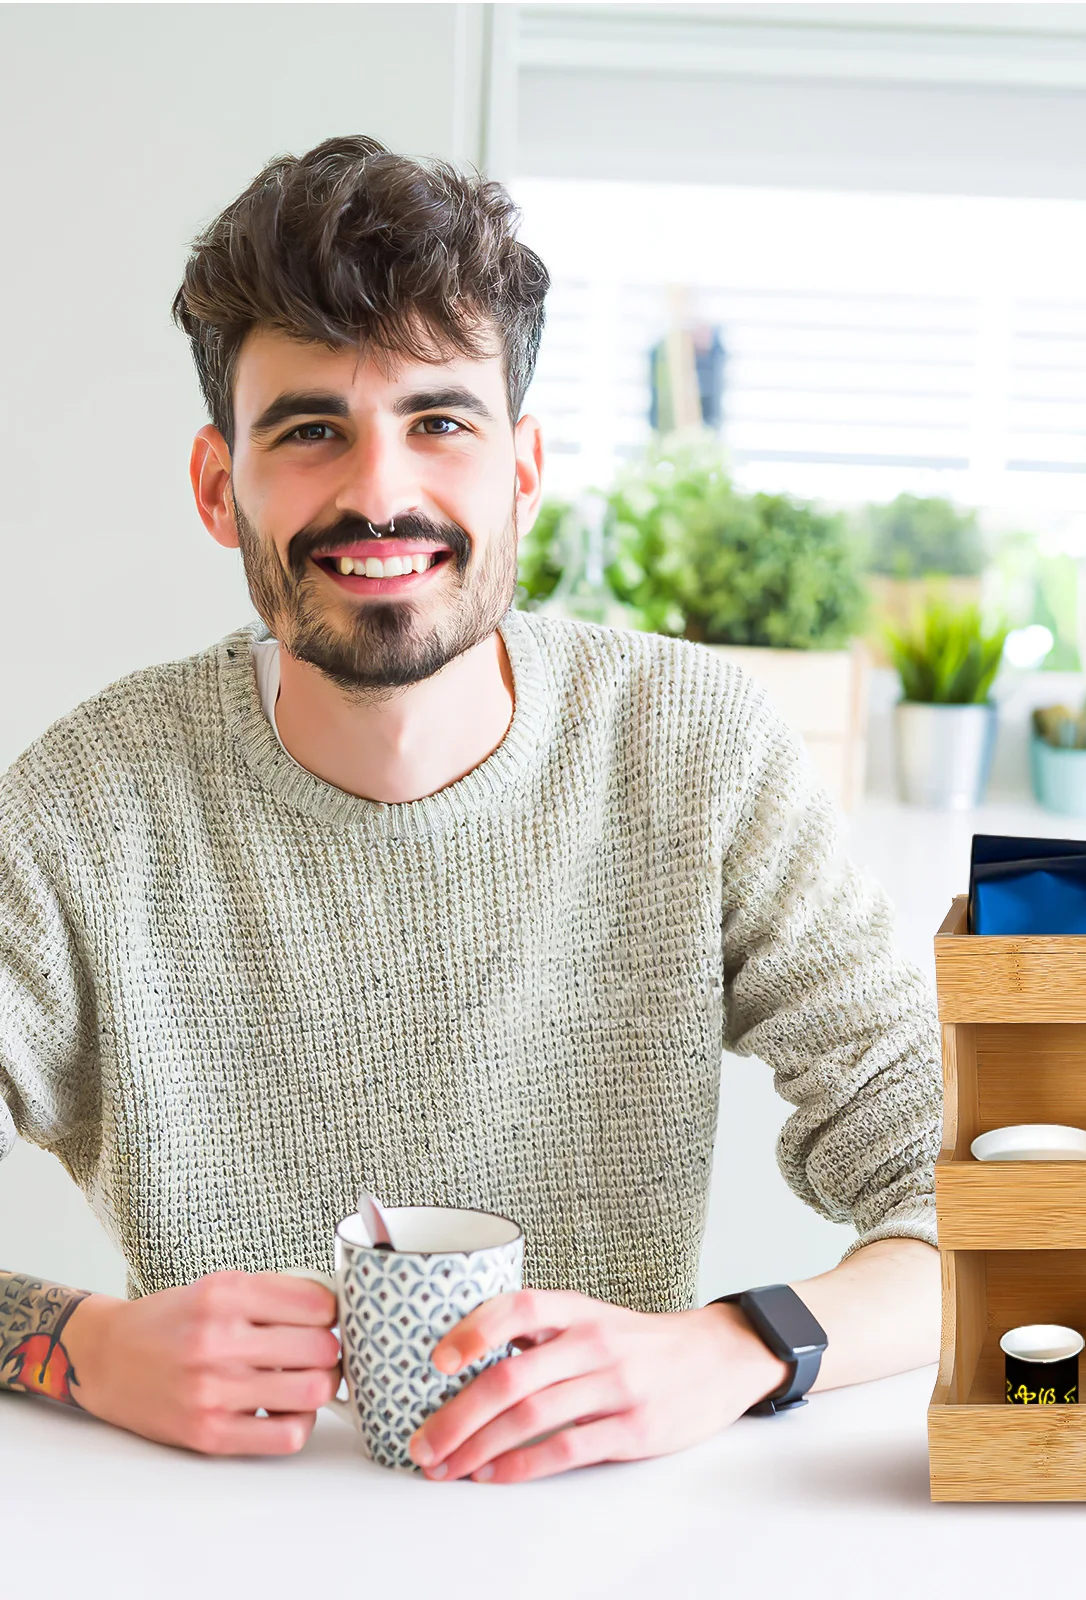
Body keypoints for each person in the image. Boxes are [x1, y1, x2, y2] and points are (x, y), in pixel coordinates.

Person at [0, 135, 943, 1485]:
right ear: (219, 486)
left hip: (601, 1537)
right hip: (209, 1541)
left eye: (439, 421)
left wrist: (737, 1345)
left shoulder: (695, 752)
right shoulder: (82, 810)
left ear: (523, 468)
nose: (380, 493)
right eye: (310, 430)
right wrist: (77, 1346)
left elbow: (980, 1202)